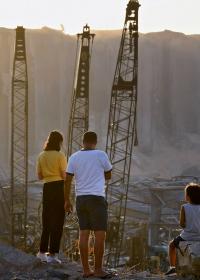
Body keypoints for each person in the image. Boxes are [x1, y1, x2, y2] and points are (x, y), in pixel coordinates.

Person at [64, 131, 113, 278]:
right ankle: (98, 269)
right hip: (96, 198)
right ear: (95, 142)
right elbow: (109, 175)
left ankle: (86, 269)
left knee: (83, 233)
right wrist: (98, 174)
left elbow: (67, 180)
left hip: (81, 199)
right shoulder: (100, 155)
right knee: (100, 235)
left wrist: (67, 200)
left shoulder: (74, 157)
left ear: (83, 142)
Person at [36, 130, 67, 263]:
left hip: (47, 188)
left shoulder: (41, 155)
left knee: (47, 220)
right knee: (58, 221)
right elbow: (65, 175)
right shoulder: (60, 155)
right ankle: (53, 254)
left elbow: (39, 176)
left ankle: (42, 252)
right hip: (59, 187)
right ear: (59, 142)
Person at [165, 183, 200, 276]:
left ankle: (172, 267)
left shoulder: (184, 207)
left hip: (187, 236)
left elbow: (182, 224)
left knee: (171, 245)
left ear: (188, 196)